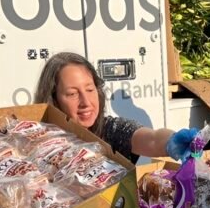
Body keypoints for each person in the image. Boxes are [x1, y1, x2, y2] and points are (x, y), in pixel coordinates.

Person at [34, 52, 195, 163]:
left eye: (90, 90)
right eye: (72, 94)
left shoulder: (111, 130)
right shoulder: (40, 143)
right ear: (53, 99)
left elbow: (151, 139)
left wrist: (172, 141)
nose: (86, 102)